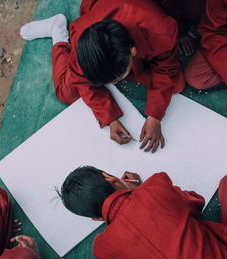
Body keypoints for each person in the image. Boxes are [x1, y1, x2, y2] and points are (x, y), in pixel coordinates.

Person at [58, 166, 227, 259]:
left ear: (96, 218)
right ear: (113, 179)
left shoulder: (104, 248)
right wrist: (141, 191)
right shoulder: (155, 187)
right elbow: (196, 203)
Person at [20, 0, 185, 153]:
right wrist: (109, 116)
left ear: (133, 52)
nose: (114, 84)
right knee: (65, 92)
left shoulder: (160, 31)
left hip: (143, 24)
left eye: (116, 80)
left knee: (176, 84)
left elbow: (166, 68)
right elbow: (80, 79)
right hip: (103, 31)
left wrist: (155, 115)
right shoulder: (84, 39)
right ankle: (58, 33)